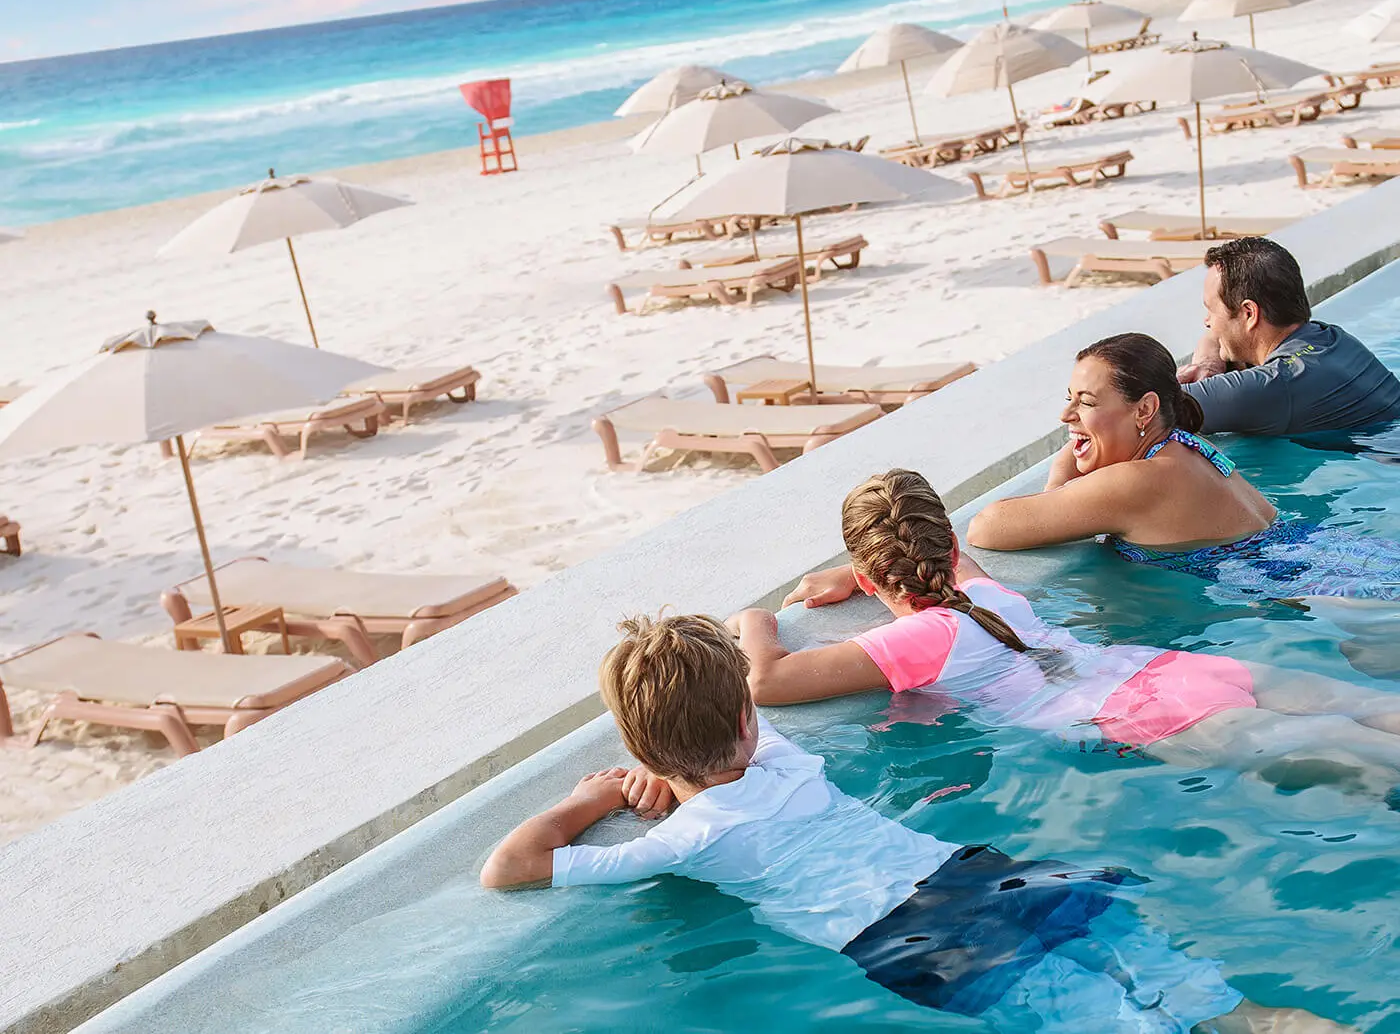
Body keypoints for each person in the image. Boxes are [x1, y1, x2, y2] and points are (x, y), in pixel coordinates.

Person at [480, 612, 1348, 1033]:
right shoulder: (789, 758)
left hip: (910, 939)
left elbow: (510, 867)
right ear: (745, 723)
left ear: (639, 745)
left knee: (1109, 1023)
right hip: (980, 873)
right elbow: (739, 717)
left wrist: (594, 797)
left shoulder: (688, 841)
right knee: (1224, 1007)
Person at [756, 468, 1400, 801]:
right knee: (1365, 711)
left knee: (1348, 756)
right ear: (947, 544)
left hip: (1137, 715)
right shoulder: (986, 592)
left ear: (871, 580)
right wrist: (858, 572)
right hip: (1163, 667)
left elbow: (768, 680)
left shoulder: (910, 643)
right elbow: (954, 562)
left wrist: (751, 620)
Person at [965, 332, 1400, 601]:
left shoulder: (1136, 481)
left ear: (1145, 410)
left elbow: (987, 528)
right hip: (1339, 557)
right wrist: (1085, 440)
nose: (1066, 416)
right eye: (1069, 398)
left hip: (1327, 590)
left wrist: (1065, 473)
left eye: (1086, 403)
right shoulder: (1185, 446)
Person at [1177, 237, 1400, 435]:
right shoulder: (1331, 338)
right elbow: (1213, 337)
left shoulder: (1274, 385)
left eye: (1211, 310)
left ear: (1249, 313)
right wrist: (1208, 363)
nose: (1207, 322)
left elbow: (1147, 410)